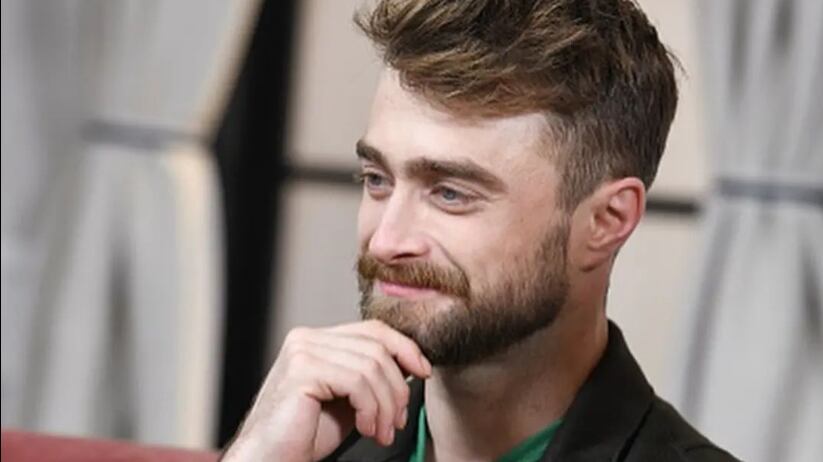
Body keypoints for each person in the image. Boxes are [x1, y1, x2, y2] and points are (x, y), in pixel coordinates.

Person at [222, 1, 738, 460]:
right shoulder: (303, 450)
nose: (386, 242)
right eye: (377, 179)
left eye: (450, 193)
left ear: (607, 221)